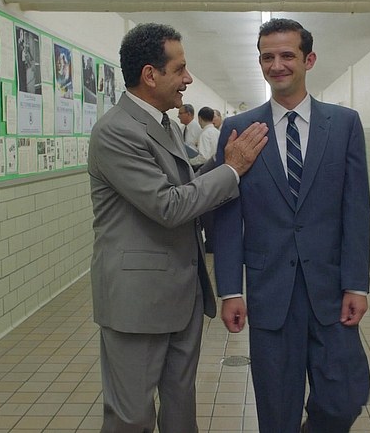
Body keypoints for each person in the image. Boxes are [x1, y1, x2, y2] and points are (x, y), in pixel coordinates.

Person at [87, 22, 268, 433]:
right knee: (132, 417)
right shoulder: (116, 132)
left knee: (181, 409)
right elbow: (168, 205)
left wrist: (225, 162)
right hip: (137, 302)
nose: (188, 79)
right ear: (150, 75)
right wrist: (231, 170)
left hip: (181, 294)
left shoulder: (163, 124)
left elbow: (187, 184)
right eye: (180, 69)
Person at [213, 18, 370, 433]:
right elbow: (227, 217)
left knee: (345, 397)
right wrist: (230, 290)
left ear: (309, 60)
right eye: (268, 57)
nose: (277, 65)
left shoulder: (344, 124)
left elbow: (356, 209)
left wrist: (357, 284)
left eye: (287, 55)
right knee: (276, 407)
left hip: (330, 290)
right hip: (270, 292)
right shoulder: (239, 129)